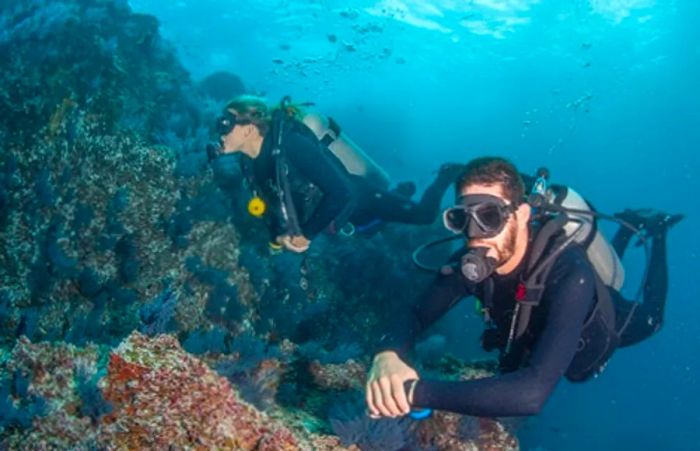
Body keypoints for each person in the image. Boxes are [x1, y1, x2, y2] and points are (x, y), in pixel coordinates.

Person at [366, 157, 682, 418]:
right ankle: (626, 234)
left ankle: (657, 234)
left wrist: (414, 392)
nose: (476, 235)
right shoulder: (469, 260)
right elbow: (415, 313)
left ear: (521, 215)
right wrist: (387, 355)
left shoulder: (570, 273)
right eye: (462, 218)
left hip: (604, 320)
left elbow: (531, 395)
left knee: (653, 321)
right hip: (534, 329)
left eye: (489, 216)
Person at [214, 95, 463, 252]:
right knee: (368, 231)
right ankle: (399, 192)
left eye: (226, 123)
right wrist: (276, 236)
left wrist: (306, 235)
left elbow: (343, 194)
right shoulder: (248, 162)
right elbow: (266, 201)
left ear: (248, 128)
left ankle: (443, 177)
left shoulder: (291, 145)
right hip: (340, 219)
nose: (220, 131)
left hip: (359, 199)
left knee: (424, 215)